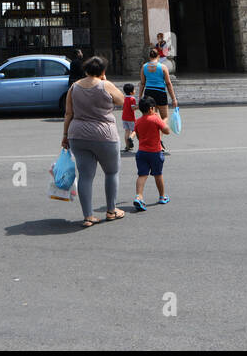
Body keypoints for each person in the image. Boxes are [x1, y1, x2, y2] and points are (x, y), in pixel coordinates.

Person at [61, 55, 126, 227]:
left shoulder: (74, 87)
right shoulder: (105, 85)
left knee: (86, 176)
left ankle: (88, 216)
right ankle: (111, 211)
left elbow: (68, 114)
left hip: (78, 135)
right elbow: (122, 100)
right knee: (111, 173)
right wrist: (106, 80)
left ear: (86, 70)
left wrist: (65, 136)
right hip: (104, 135)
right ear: (102, 71)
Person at [132, 95, 170, 210]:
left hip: (142, 152)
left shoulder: (138, 121)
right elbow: (167, 131)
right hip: (155, 152)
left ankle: (139, 196)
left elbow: (138, 136)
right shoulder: (155, 119)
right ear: (151, 109)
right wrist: (160, 120)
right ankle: (162, 196)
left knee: (142, 175)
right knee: (158, 174)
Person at [139, 47, 177, 112]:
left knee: (152, 116)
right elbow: (168, 83)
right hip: (160, 92)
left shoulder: (144, 67)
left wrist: (140, 97)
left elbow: (142, 83)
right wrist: (173, 99)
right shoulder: (163, 67)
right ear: (158, 56)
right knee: (164, 117)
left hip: (149, 92)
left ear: (149, 56)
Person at [120, 82, 138, 153]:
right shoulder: (132, 99)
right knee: (134, 130)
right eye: (134, 90)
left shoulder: (124, 98)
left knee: (127, 131)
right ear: (131, 92)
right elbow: (133, 108)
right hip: (130, 117)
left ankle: (127, 146)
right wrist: (138, 106)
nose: (135, 91)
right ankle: (131, 138)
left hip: (124, 117)